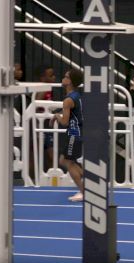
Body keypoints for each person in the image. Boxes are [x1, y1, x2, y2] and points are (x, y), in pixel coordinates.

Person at [50, 69, 84, 201]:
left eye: (66, 77)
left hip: (74, 133)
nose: (63, 78)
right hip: (78, 131)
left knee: (68, 162)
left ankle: (83, 192)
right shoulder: (77, 95)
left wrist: (57, 116)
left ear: (70, 81)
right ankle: (89, 184)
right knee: (64, 160)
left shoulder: (68, 100)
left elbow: (64, 122)